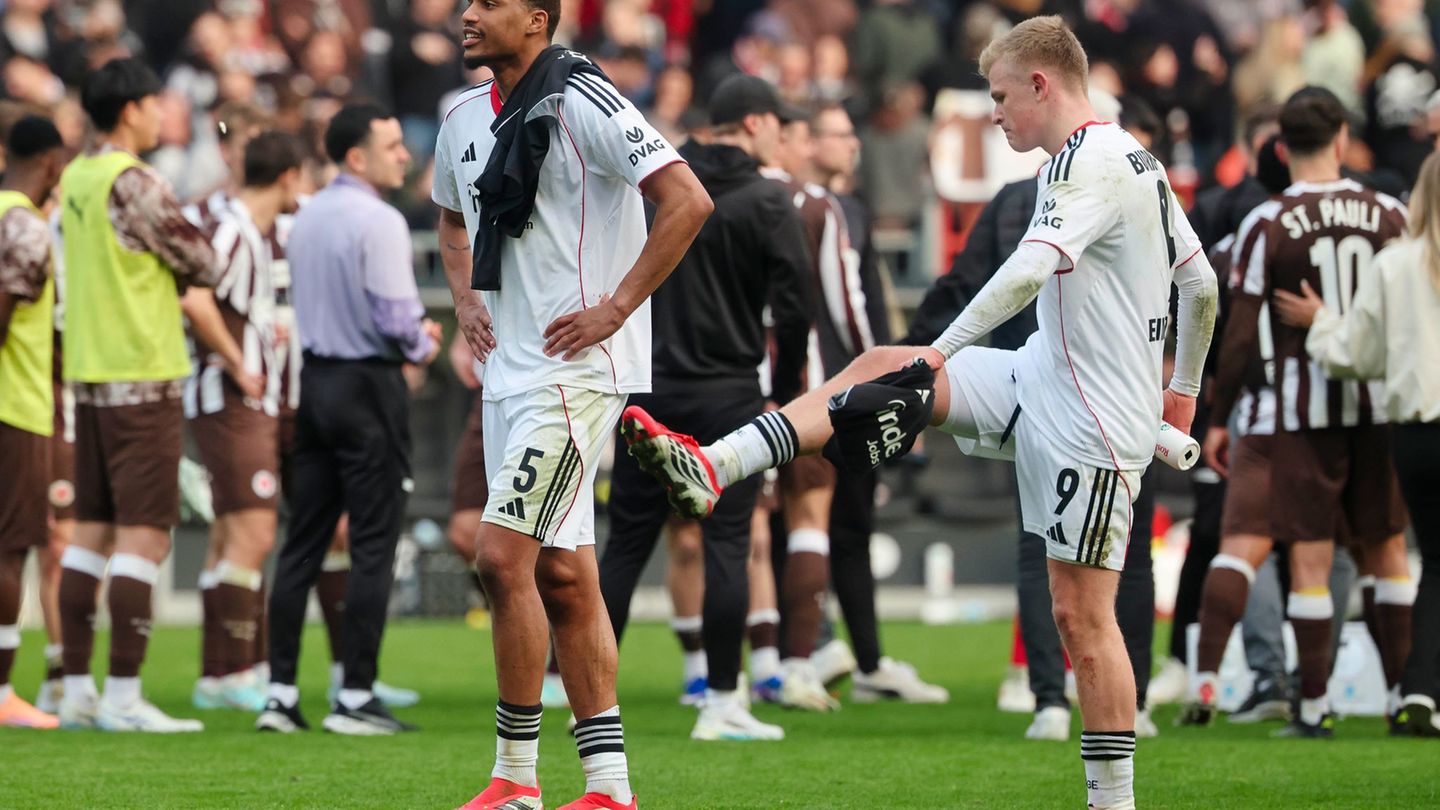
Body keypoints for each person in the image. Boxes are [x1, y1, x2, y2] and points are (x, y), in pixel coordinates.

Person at [622, 17, 1217, 810]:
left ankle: (1114, 802)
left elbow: (1028, 274)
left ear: (1042, 84)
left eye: (1002, 97)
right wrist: (1184, 391)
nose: (996, 114)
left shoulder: (1093, 163)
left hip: (1096, 420)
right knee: (877, 367)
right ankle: (716, 462)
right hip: (1042, 375)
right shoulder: (1124, 156)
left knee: (1082, 615)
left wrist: (941, 350)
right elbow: (1200, 282)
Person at [434, 1, 711, 807]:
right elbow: (453, 219)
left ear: (537, 18)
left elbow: (687, 198)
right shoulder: (459, 116)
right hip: (508, 373)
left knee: (499, 556)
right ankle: (609, 787)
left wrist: (617, 308)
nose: (468, 13)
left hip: (577, 373)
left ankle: (516, 781)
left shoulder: (583, 98)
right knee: (562, 572)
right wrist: (464, 299)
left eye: (490, 2)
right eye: (468, 2)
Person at [1187, 86, 1411, 738]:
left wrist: (1223, 415)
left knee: (1309, 556)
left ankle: (1314, 707)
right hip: (1378, 405)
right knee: (1387, 551)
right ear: (1342, 138)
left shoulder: (1266, 224)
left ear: (1280, 149)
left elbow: (1239, 331)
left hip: (1299, 412)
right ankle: (1404, 698)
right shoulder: (1393, 214)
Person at [598, 72, 812, 741]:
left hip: (647, 387)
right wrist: (786, 385)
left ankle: (565, 686)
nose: (783, 135)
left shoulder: (653, 182)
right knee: (729, 545)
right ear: (753, 124)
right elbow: (797, 305)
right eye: (780, 123)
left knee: (624, 547)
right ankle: (722, 702)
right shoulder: (766, 200)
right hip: (730, 395)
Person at [55, 57, 261, 733]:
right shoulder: (135, 180)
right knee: (145, 538)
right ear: (131, 109)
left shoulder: (79, 175)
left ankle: (78, 687)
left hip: (89, 373)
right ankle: (122, 696)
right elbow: (202, 260)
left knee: (90, 535)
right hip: (143, 372)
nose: (161, 114)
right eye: (154, 103)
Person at [258, 102, 441, 736]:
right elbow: (397, 318)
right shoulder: (381, 221)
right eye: (392, 144)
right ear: (357, 155)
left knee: (302, 544)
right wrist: (425, 343)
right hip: (369, 386)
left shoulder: (303, 218)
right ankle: (355, 694)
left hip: (318, 385)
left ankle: (279, 694)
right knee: (372, 545)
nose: (405, 154)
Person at [1272, 149, 1440, 736]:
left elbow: (1356, 356)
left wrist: (1321, 322)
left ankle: (1419, 691)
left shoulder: (1397, 266)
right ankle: (1416, 689)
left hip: (1418, 435)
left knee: (1435, 566)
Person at [184, 130, 305, 713]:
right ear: (286, 177)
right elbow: (195, 298)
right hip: (230, 401)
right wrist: (237, 362)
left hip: (240, 401)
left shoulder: (248, 230)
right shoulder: (233, 229)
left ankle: (222, 673)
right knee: (253, 534)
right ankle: (234, 672)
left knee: (232, 537)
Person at [0, 114, 66, 730]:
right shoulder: (22, 224)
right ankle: (0, 695)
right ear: (50, 164)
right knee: (10, 549)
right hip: (13, 407)